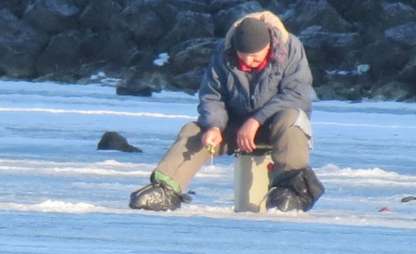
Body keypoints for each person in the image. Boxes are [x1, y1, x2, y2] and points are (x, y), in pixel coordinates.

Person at [129, 11, 324, 212]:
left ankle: (290, 189)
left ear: (268, 47)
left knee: (292, 118)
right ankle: (165, 188)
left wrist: (256, 121)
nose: (248, 63)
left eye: (255, 59)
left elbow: (296, 96)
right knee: (193, 131)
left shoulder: (291, 48)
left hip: (277, 127)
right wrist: (214, 126)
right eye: (243, 57)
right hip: (234, 127)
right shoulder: (223, 51)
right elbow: (212, 95)